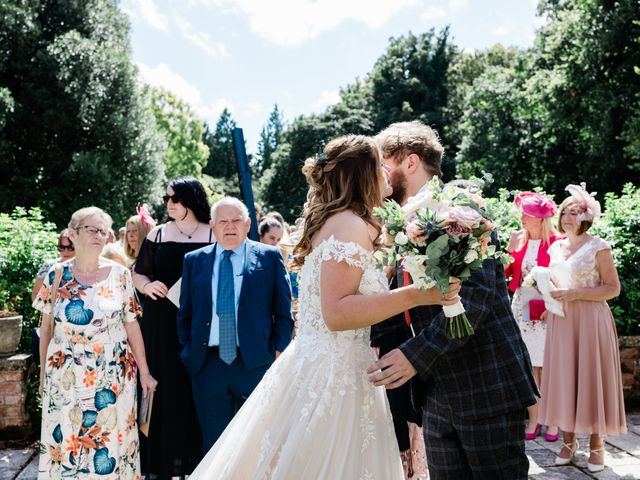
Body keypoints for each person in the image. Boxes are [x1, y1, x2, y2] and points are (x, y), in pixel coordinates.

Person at [187, 134, 460, 479]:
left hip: (338, 366)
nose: (386, 173)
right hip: (333, 376)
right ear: (362, 174)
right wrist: (419, 295)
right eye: (379, 165)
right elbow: (337, 313)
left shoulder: (348, 222)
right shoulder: (348, 224)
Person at [368, 121, 538, 480]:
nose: (379, 176)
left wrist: (412, 356)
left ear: (410, 162)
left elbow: (474, 301)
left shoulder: (461, 210)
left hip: (485, 384)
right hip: (434, 394)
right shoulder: (397, 223)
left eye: (385, 165)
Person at [33, 206, 157, 479]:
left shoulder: (121, 274)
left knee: (110, 444)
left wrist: (145, 372)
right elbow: (46, 329)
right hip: (65, 375)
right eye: (92, 229)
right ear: (72, 233)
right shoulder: (55, 275)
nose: (99, 236)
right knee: (69, 439)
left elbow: (132, 325)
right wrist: (43, 374)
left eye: (104, 231)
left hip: (112, 377)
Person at [176, 197, 294, 452]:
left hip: (256, 363)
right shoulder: (194, 261)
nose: (230, 226)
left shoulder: (270, 257)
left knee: (259, 444)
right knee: (215, 446)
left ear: (248, 223)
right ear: (212, 226)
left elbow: (284, 312)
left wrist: (275, 352)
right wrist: (189, 353)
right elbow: (185, 314)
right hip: (208, 367)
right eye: (223, 221)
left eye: (236, 220)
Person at [537, 184, 626, 473]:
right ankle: (568, 442)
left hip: (590, 320)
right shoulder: (555, 246)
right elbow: (553, 281)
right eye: (565, 212)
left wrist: (574, 294)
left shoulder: (599, 246)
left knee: (591, 378)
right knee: (566, 379)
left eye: (575, 212)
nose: (568, 217)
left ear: (587, 216)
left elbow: (613, 288)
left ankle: (597, 444)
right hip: (562, 321)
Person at [132, 176, 212, 478]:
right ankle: (159, 467)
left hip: (198, 322)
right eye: (166, 199)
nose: (169, 204)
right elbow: (138, 275)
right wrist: (148, 284)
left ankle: (196, 465)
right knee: (163, 390)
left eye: (174, 199)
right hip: (160, 323)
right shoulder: (158, 234)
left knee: (193, 389)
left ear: (191, 200)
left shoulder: (213, 233)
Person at [504, 192, 562, 442]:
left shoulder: (558, 242)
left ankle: (553, 420)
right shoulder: (519, 240)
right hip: (522, 308)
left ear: (540, 219)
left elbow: (563, 277)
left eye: (527, 215)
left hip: (548, 309)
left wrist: (553, 305)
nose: (522, 218)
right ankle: (534, 418)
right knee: (528, 367)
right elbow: (504, 273)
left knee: (548, 367)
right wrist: (508, 249)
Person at [31, 230, 75, 302]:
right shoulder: (48, 266)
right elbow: (36, 293)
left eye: (71, 247)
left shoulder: (87, 268)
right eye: (62, 247)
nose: (66, 251)